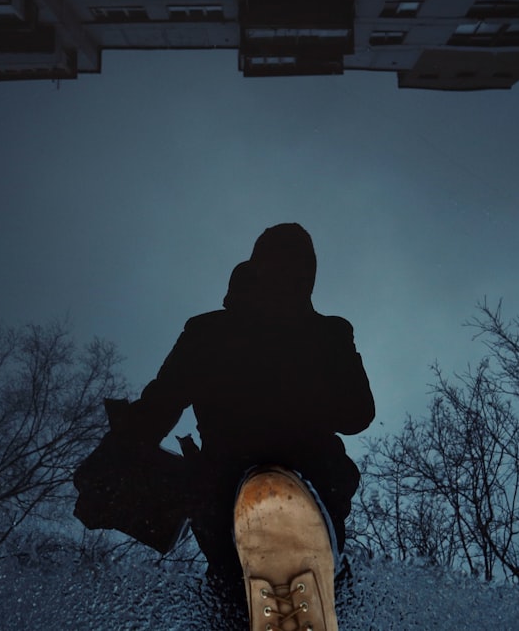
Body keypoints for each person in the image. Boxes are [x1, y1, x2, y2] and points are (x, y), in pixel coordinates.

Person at [119, 223, 375, 628]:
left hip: (262, 485)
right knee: (270, 594)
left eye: (297, 265)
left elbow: (158, 409)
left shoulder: (212, 331)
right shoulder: (325, 333)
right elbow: (358, 415)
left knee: (241, 595)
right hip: (275, 483)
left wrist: (127, 439)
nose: (291, 274)